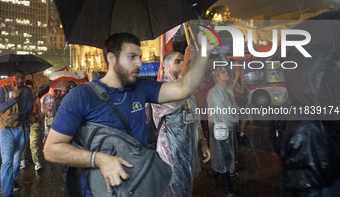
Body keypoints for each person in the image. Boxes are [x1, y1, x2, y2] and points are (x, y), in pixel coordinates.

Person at [44, 32, 211, 197]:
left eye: (139, 57)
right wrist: (99, 159)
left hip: (140, 184)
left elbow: (183, 89)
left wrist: (204, 54)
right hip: (101, 190)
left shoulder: (142, 87)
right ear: (111, 58)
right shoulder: (81, 96)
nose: (139, 63)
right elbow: (51, 149)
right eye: (132, 57)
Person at [151, 49, 211, 197]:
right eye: (177, 61)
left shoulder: (189, 93)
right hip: (170, 153)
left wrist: (202, 141)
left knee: (186, 187)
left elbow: (195, 119)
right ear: (166, 66)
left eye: (183, 61)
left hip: (188, 149)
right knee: (173, 189)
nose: (183, 64)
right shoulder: (159, 89)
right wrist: (186, 67)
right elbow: (175, 101)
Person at [206, 66, 239, 197]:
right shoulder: (214, 93)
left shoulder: (227, 90)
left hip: (229, 126)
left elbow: (233, 108)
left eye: (226, 71)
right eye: (223, 72)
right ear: (217, 76)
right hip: (219, 128)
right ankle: (227, 189)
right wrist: (233, 121)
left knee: (225, 156)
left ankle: (213, 173)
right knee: (224, 157)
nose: (227, 74)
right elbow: (221, 114)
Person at [0, 70, 33, 197]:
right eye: (17, 77)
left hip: (22, 129)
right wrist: (13, 98)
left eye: (22, 78)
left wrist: (18, 116)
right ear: (11, 78)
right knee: (7, 161)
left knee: (16, 161)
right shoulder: (3, 90)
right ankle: (7, 192)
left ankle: (12, 181)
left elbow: (29, 109)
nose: (19, 80)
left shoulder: (27, 91)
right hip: (5, 130)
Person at [20, 80, 44, 171]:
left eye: (31, 88)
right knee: (24, 142)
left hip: (34, 123)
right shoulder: (20, 98)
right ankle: (23, 159)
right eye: (27, 88)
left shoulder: (36, 99)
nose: (29, 90)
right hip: (24, 123)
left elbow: (39, 112)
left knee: (33, 143)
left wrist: (42, 123)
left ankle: (37, 162)